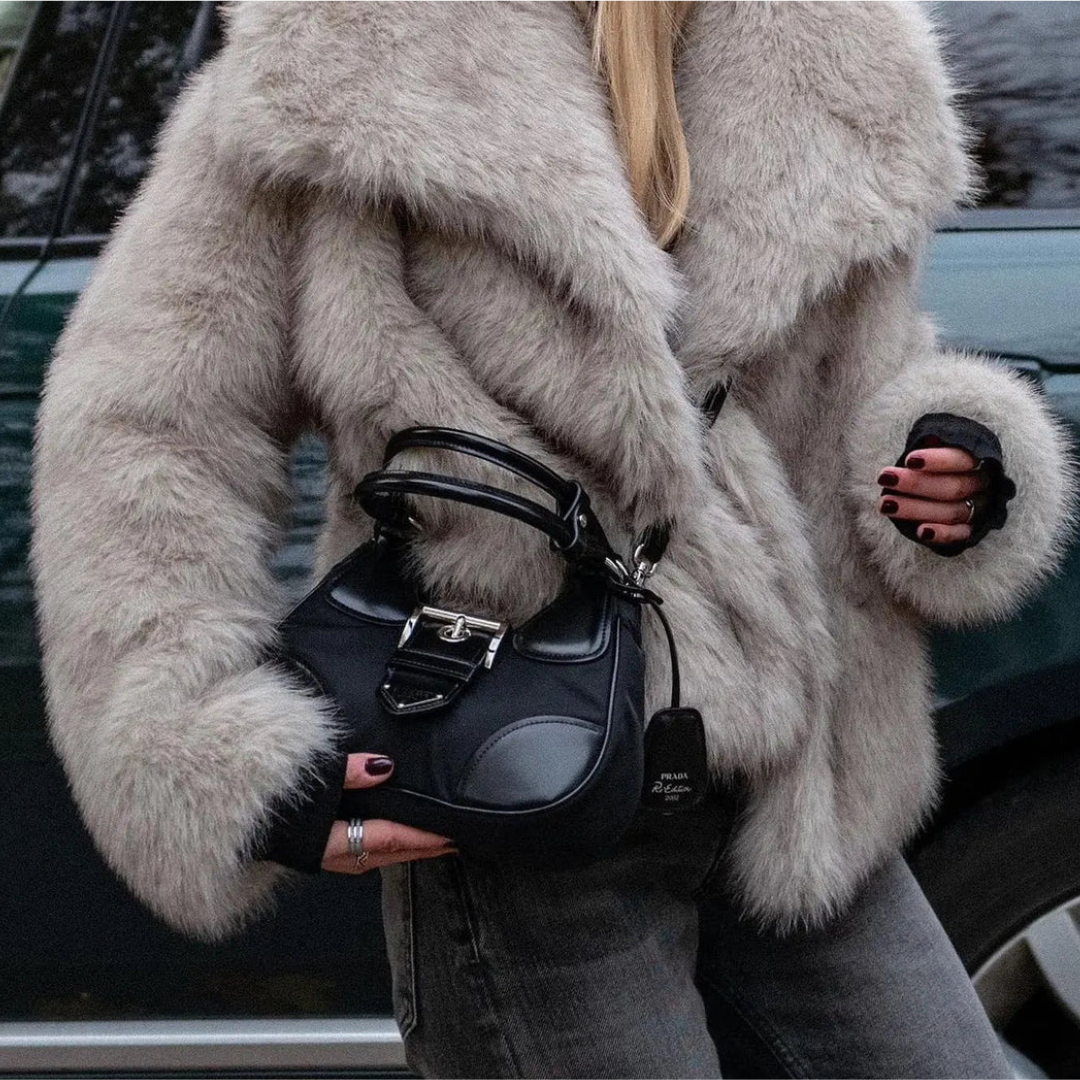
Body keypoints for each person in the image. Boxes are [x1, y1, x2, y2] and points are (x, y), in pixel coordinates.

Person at [28, 2, 1076, 1077]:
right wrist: (197, 740)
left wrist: (955, 462)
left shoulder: (838, 54)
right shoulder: (348, 53)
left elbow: (860, 380)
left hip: (805, 792)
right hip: (518, 787)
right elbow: (150, 420)